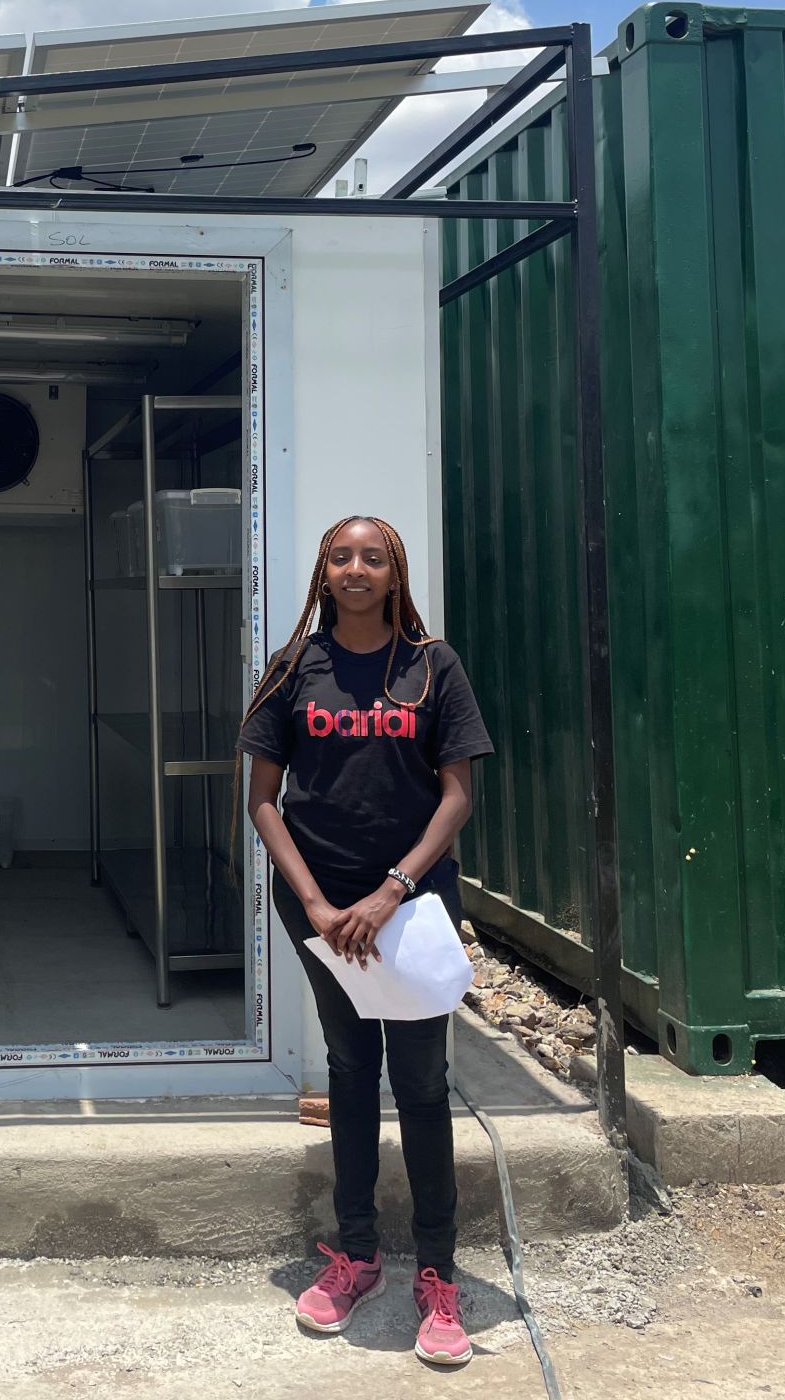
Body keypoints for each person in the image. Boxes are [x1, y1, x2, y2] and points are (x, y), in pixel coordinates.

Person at [237, 514, 493, 1369]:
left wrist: (392, 890)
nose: (354, 568)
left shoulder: (432, 667)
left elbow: (454, 797)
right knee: (348, 1072)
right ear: (322, 571)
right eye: (340, 556)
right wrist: (314, 902)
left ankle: (436, 1272)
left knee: (419, 1082)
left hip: (409, 908)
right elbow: (263, 801)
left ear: (394, 574)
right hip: (319, 911)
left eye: (370, 558)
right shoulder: (291, 671)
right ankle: (356, 1256)